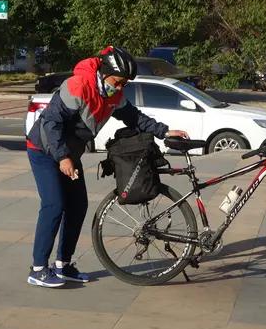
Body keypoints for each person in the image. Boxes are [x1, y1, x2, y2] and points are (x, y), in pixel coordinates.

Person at [25, 46, 188, 288]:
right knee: (54, 204)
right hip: (44, 151)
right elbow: (51, 124)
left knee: (78, 206)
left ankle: (63, 265)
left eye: (125, 84)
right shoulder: (78, 86)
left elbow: (135, 117)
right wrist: (62, 158)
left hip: (69, 153)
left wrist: (164, 131)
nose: (120, 87)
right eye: (119, 81)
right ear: (105, 72)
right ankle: (38, 268)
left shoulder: (114, 95)